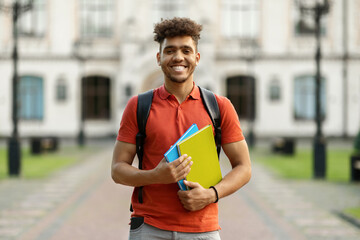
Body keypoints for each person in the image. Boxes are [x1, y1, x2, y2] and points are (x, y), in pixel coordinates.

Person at [111, 17, 251, 240]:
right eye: (170, 50)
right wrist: (155, 175)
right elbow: (118, 170)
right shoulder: (138, 106)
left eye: (186, 50)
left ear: (197, 57)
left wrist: (211, 195)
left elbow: (244, 167)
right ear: (159, 58)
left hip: (203, 229)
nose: (178, 57)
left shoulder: (219, 106)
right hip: (149, 227)